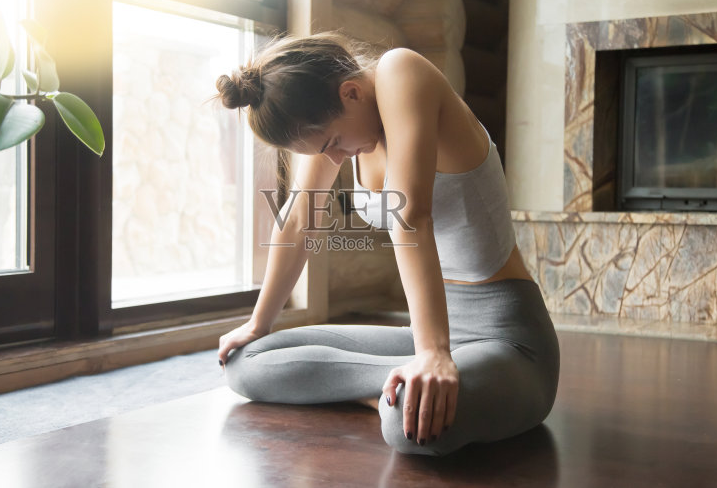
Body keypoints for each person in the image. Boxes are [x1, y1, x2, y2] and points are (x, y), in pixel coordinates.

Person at [214, 32, 560, 457]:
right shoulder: (339, 115)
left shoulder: (401, 71)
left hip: (509, 343)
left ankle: (393, 397)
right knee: (245, 364)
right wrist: (257, 323)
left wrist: (433, 354)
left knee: (405, 425)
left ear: (352, 92)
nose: (335, 158)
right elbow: (300, 218)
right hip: (423, 334)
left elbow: (411, 216)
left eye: (333, 143)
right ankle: (392, 388)